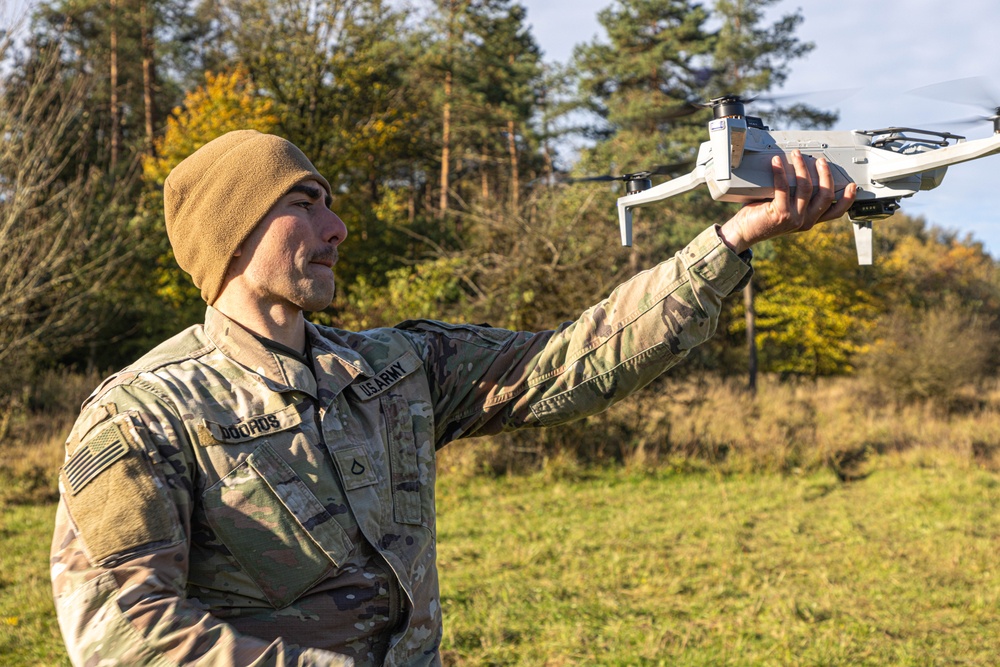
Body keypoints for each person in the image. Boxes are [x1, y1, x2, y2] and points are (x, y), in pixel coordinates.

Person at [50, 130, 856, 666]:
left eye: (327, 202)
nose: (336, 227)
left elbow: (573, 360)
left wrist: (731, 242)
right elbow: (124, 635)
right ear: (233, 233)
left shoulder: (395, 367)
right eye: (305, 203)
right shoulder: (142, 414)